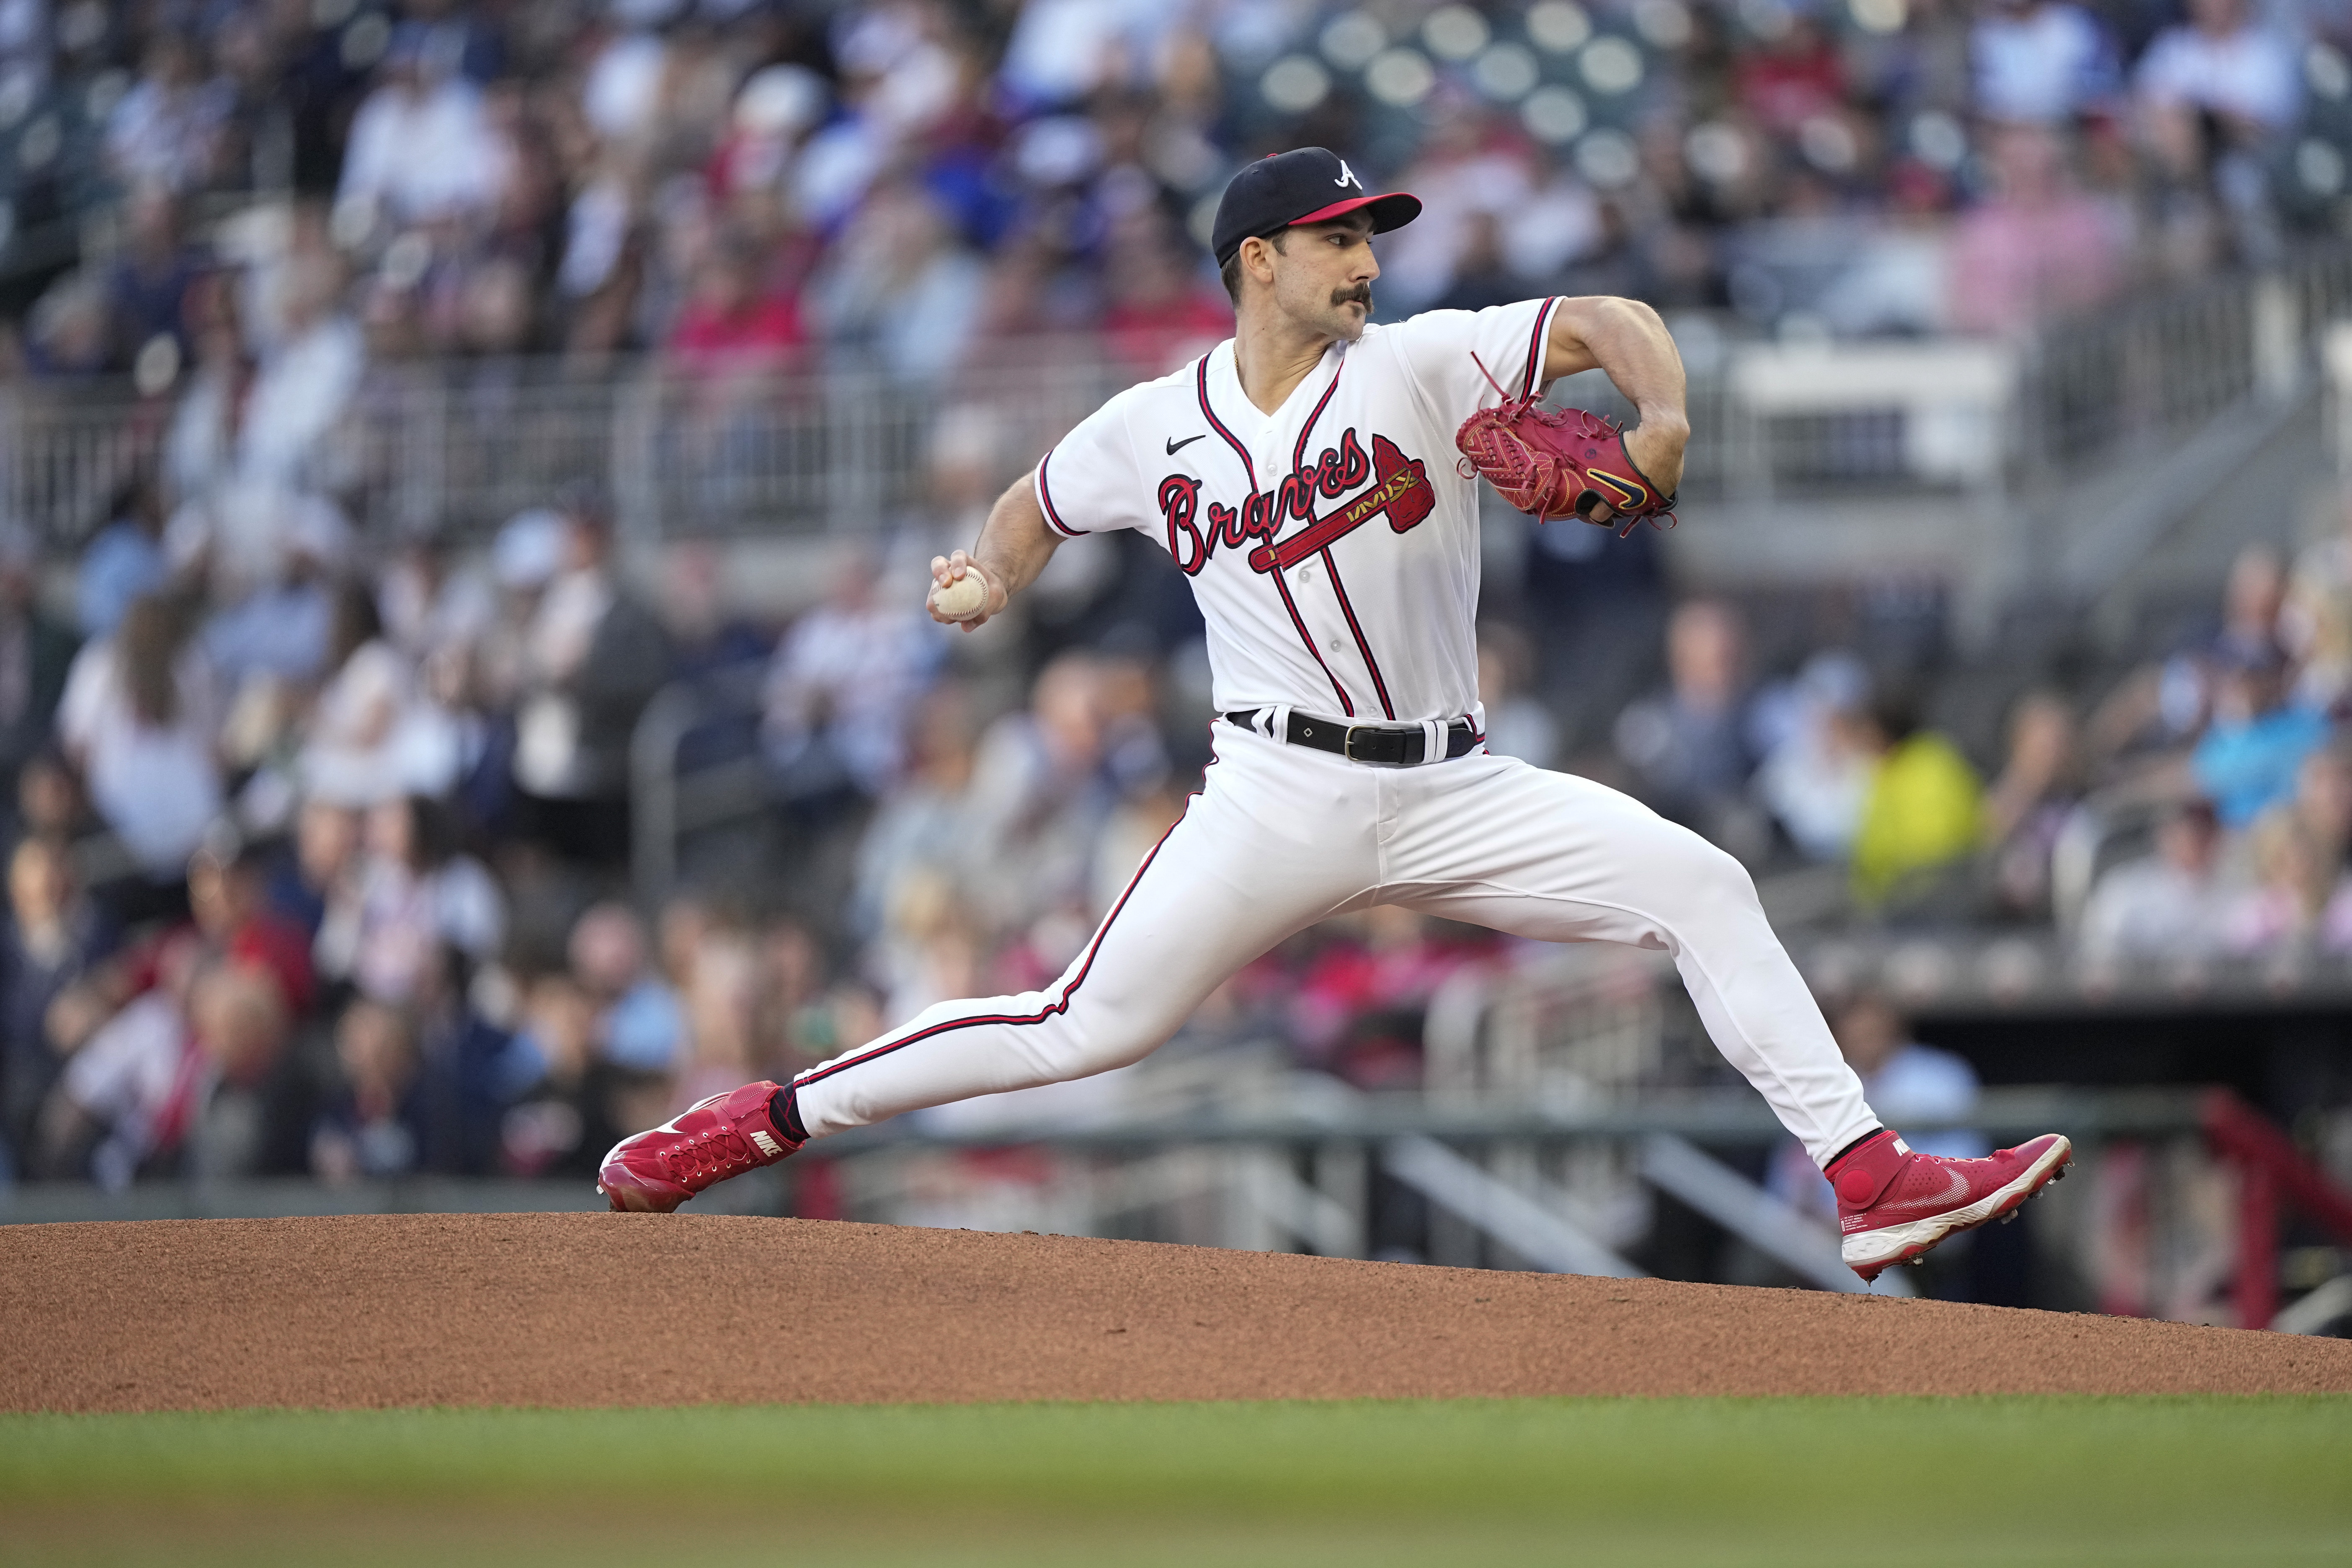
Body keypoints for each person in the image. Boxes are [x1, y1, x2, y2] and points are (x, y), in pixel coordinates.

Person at [597, 147, 2071, 1282]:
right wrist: (988, 573)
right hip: (1274, 798)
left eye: (1371, 236)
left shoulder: (1422, 363)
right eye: (1341, 237)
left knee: (1705, 884)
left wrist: (1666, 415)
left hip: (1457, 784)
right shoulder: (1149, 424)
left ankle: (1868, 1179)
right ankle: (761, 1121)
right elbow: (1037, 505)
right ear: (1260, 262)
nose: (1368, 257)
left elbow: (1613, 321)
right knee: (1077, 1028)